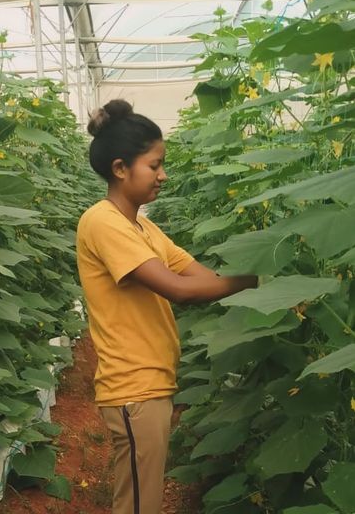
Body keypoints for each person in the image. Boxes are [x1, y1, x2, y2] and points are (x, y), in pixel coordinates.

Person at [76, 99, 256, 514]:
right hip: (133, 387)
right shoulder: (102, 222)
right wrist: (259, 280)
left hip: (151, 384)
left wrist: (262, 276)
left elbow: (204, 277)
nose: (163, 175)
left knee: (143, 501)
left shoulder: (144, 227)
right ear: (121, 169)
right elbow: (180, 289)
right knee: (139, 506)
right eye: (154, 165)